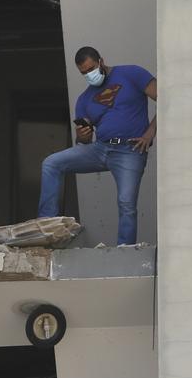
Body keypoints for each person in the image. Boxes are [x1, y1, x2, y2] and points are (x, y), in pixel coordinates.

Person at [37, 46, 157, 245]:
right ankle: (46, 224)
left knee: (126, 203)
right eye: (83, 72)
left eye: (91, 69)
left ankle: (124, 250)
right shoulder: (84, 99)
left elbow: (168, 98)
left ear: (101, 61)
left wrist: (149, 134)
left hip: (130, 150)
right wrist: (82, 135)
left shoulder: (131, 73)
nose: (88, 75)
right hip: (100, 148)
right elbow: (84, 142)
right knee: (51, 163)